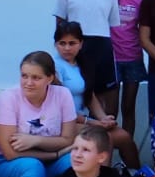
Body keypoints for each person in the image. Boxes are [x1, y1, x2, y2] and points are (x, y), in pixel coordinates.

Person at [54, 22, 140, 169]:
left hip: (84, 121)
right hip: (65, 123)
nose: (67, 48)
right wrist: (95, 123)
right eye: (62, 43)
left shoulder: (82, 63)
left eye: (72, 43)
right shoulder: (55, 66)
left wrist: (103, 118)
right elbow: (62, 109)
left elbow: (90, 95)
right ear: (55, 44)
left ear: (81, 44)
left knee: (124, 137)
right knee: (105, 139)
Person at [54, 0, 120, 122]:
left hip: (102, 46)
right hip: (79, 46)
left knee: (106, 95)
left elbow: (113, 24)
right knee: (82, 88)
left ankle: (105, 132)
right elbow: (60, 22)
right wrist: (64, 46)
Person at [111, 0, 146, 139]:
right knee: (111, 110)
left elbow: (145, 30)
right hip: (112, 59)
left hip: (133, 58)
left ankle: (128, 149)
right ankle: (107, 150)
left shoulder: (141, 2)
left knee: (128, 107)